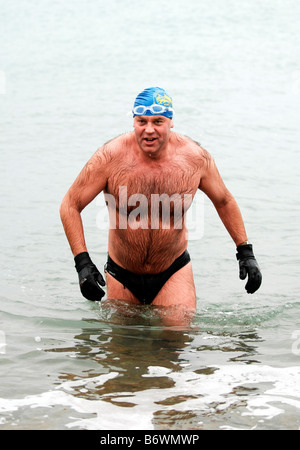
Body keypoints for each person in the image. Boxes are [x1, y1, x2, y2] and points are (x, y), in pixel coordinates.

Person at [60, 87, 262, 310]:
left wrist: (245, 252)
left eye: (157, 121)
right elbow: (70, 205)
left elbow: (224, 201)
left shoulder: (195, 158)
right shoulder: (109, 157)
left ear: (170, 121)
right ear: (133, 122)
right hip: (121, 274)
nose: (148, 130)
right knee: (124, 344)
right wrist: (83, 263)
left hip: (173, 272)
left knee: (176, 337)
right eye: (141, 121)